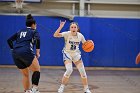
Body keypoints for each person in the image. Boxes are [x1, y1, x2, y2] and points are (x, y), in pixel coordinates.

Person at [53, 20, 92, 93]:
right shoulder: (67, 34)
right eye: (72, 27)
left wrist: (89, 45)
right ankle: (62, 87)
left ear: (77, 28)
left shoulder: (80, 35)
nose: (73, 28)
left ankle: (86, 89)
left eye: (75, 27)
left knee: (82, 71)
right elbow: (55, 35)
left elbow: (85, 45)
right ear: (70, 28)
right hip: (67, 53)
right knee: (69, 70)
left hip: (76, 54)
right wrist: (61, 26)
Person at [7, 14, 40, 93]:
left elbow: (9, 40)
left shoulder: (20, 31)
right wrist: (38, 52)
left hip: (15, 53)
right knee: (37, 70)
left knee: (25, 74)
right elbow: (38, 40)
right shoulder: (34, 31)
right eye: (35, 24)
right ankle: (34, 90)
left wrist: (12, 49)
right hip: (26, 51)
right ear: (33, 25)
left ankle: (27, 91)